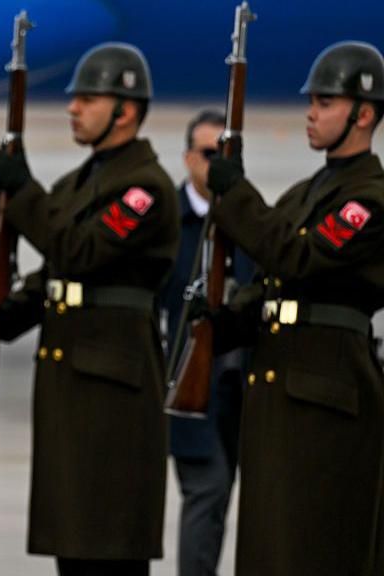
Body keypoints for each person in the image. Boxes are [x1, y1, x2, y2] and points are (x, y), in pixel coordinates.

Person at [0, 43, 178, 575]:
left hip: (113, 403)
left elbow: (77, 251)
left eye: (88, 99)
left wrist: (23, 192)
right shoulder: (81, 181)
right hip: (74, 397)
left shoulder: (144, 188)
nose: (72, 108)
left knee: (108, 551)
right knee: (76, 553)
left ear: (125, 110)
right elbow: (55, 277)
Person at [204, 41, 384, 575]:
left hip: (328, 404)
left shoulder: (370, 198)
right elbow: (270, 285)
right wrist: (221, 321)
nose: (310, 111)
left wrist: (236, 194)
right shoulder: (305, 193)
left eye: (325, 101)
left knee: (315, 551)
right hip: (280, 400)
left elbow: (298, 257)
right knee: (271, 552)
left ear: (364, 113)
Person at [159, 110, 252, 576]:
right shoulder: (168, 226)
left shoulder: (249, 221)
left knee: (230, 498)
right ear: (187, 158)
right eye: (209, 154)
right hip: (189, 383)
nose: (217, 164)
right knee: (208, 489)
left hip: (241, 385)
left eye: (228, 155)